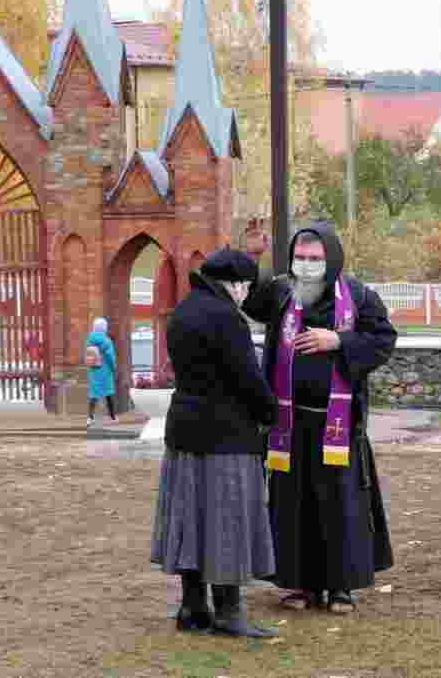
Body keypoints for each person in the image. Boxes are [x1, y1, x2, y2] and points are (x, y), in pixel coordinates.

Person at [242, 221, 397, 615]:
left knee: (339, 504)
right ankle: (297, 583)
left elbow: (383, 340)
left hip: (338, 424)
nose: (306, 266)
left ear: (331, 260)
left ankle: (340, 586)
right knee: (293, 506)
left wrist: (339, 340)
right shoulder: (280, 291)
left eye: (314, 259)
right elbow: (249, 301)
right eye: (300, 258)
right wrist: (252, 257)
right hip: (289, 426)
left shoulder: (358, 296)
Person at [150, 247, 279, 639]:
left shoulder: (185, 311)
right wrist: (269, 412)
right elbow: (247, 378)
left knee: (191, 518)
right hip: (227, 436)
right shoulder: (227, 319)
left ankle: (192, 608)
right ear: (237, 285)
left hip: (185, 432)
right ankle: (228, 612)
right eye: (246, 287)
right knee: (226, 519)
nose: (246, 295)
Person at [85, 318, 117, 427]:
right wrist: (114, 368)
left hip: (94, 370)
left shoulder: (89, 339)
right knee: (109, 394)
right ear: (104, 328)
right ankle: (112, 416)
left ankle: (89, 417)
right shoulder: (107, 341)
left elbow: (88, 354)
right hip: (105, 371)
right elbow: (110, 357)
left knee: (93, 395)